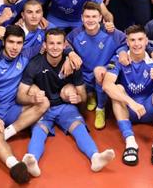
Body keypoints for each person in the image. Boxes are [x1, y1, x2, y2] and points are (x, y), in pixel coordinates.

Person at [0, 25, 81, 183]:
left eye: (19, 43)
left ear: (23, 44)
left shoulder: (25, 54)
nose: (15, 47)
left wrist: (69, 55)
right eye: (11, 42)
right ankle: (14, 165)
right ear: (3, 42)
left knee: (44, 102)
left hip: (12, 108)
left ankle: (6, 134)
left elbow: (54, 44)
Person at [19, 29, 116, 177]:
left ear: (65, 45)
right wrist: (33, 99)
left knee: (78, 127)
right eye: (51, 43)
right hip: (42, 107)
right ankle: (32, 161)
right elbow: (20, 96)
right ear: (44, 45)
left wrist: (78, 99)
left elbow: (83, 95)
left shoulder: (72, 63)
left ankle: (95, 157)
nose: (55, 47)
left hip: (65, 107)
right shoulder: (35, 64)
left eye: (59, 43)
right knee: (39, 130)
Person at [103, 25, 153, 167]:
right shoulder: (118, 59)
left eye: (140, 39)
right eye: (132, 40)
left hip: (149, 109)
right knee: (117, 89)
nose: (137, 44)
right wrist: (131, 102)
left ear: (146, 41)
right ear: (127, 42)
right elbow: (106, 85)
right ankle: (130, 143)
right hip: (128, 110)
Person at [66, 2, 127, 129]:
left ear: (100, 18)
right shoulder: (76, 34)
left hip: (105, 70)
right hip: (85, 74)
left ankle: (101, 108)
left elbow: (124, 41)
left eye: (94, 16)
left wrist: (122, 52)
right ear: (82, 18)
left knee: (99, 72)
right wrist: (70, 53)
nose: (90, 20)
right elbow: (65, 43)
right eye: (87, 16)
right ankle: (91, 94)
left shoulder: (110, 31)